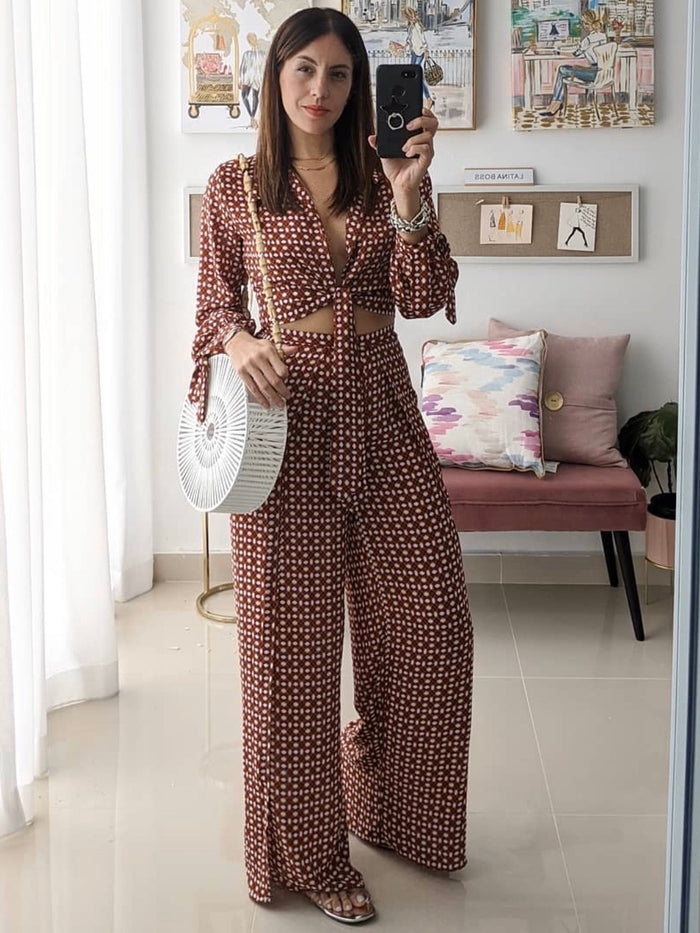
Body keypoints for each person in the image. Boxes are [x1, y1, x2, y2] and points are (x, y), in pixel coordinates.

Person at [187, 7, 474, 924]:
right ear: (274, 77)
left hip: (385, 414)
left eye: (340, 75)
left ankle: (390, 809)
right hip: (286, 426)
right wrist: (236, 341)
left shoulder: (382, 173)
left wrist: (411, 190)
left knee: (434, 631)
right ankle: (308, 854)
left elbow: (425, 297)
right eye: (304, 70)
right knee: (294, 659)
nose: (321, 90)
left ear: (361, 89)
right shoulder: (236, 186)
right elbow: (209, 315)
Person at [539, 9, 607, 117]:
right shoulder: (604, 37)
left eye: (585, 23)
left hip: (593, 74)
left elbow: (574, 54)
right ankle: (556, 104)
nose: (583, 25)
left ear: (589, 24)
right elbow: (589, 52)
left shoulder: (588, 40)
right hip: (603, 74)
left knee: (562, 69)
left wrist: (557, 51)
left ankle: (556, 104)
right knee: (563, 72)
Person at [403, 6, 434, 105]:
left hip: (420, 52)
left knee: (416, 75)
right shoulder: (411, 26)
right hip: (413, 52)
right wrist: (405, 45)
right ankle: (418, 96)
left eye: (409, 16)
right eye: (407, 17)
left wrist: (426, 50)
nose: (409, 18)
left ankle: (428, 98)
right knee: (413, 75)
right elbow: (410, 38)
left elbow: (422, 38)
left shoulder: (417, 25)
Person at [239, 33, 266, 130]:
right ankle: (251, 116)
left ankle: (253, 117)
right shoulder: (247, 54)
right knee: (244, 96)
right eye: (250, 40)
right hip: (247, 79)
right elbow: (242, 68)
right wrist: (240, 80)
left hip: (257, 79)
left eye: (253, 39)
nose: (252, 41)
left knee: (255, 97)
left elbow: (264, 68)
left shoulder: (262, 54)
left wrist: (263, 79)